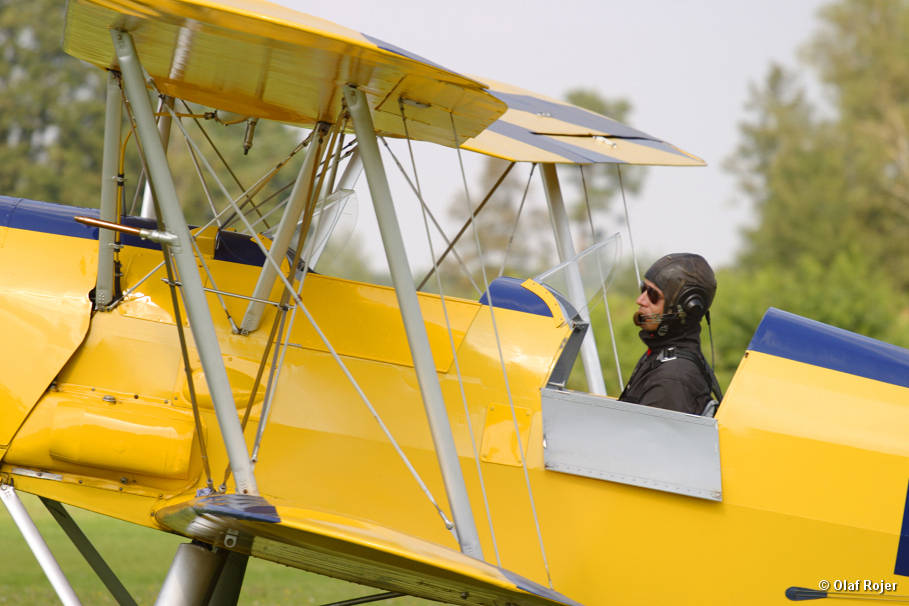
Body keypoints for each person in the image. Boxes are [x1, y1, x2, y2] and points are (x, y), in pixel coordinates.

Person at [618, 253, 722, 415]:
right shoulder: (660, 356)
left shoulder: (672, 379)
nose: (640, 300)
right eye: (643, 289)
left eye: (653, 295)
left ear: (685, 309)